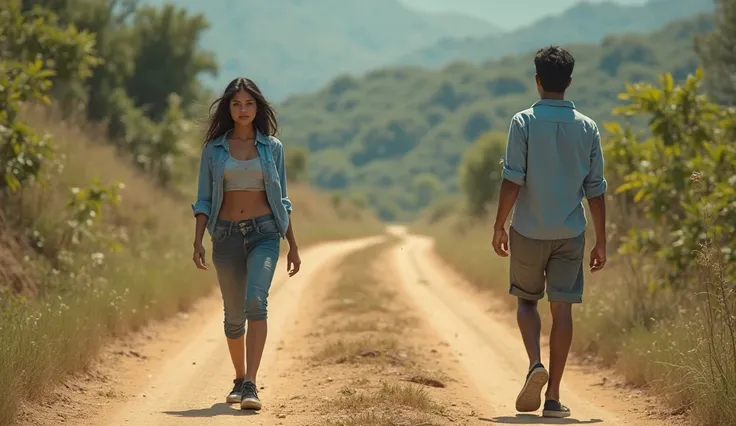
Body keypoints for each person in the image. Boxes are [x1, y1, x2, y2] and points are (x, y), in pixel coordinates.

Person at [491, 46, 607, 419]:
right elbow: (596, 189)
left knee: (527, 302)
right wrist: (602, 241)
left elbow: (512, 179)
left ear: (538, 81)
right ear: (569, 82)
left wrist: (499, 225)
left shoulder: (522, 122)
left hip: (528, 229)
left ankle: (534, 363)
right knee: (563, 310)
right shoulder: (587, 127)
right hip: (570, 233)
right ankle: (554, 397)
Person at [191, 77, 302, 411]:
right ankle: (239, 378)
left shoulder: (272, 147)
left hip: (265, 233)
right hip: (224, 236)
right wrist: (197, 240)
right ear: (228, 107)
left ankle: (252, 383)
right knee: (233, 316)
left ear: (258, 107)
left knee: (257, 301)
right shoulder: (213, 150)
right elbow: (204, 199)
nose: (243, 110)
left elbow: (282, 199)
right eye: (236, 104)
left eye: (249, 103)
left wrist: (292, 244)